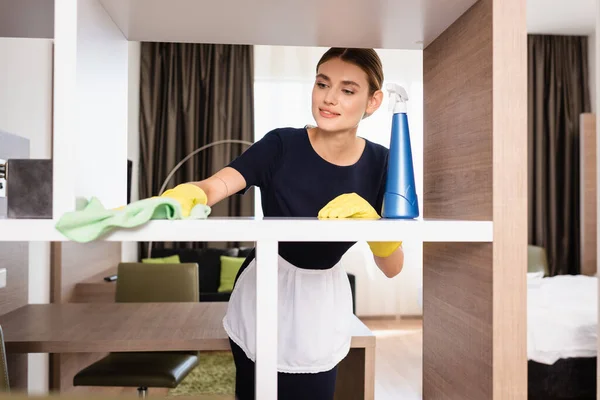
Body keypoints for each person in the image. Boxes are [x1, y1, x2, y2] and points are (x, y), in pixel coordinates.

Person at [160, 47, 405, 400]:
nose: (329, 98)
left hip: (323, 300)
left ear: (373, 101)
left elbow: (394, 268)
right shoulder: (281, 145)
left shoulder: (384, 164)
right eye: (322, 84)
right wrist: (190, 194)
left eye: (347, 90)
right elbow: (219, 184)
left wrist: (376, 230)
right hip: (264, 289)